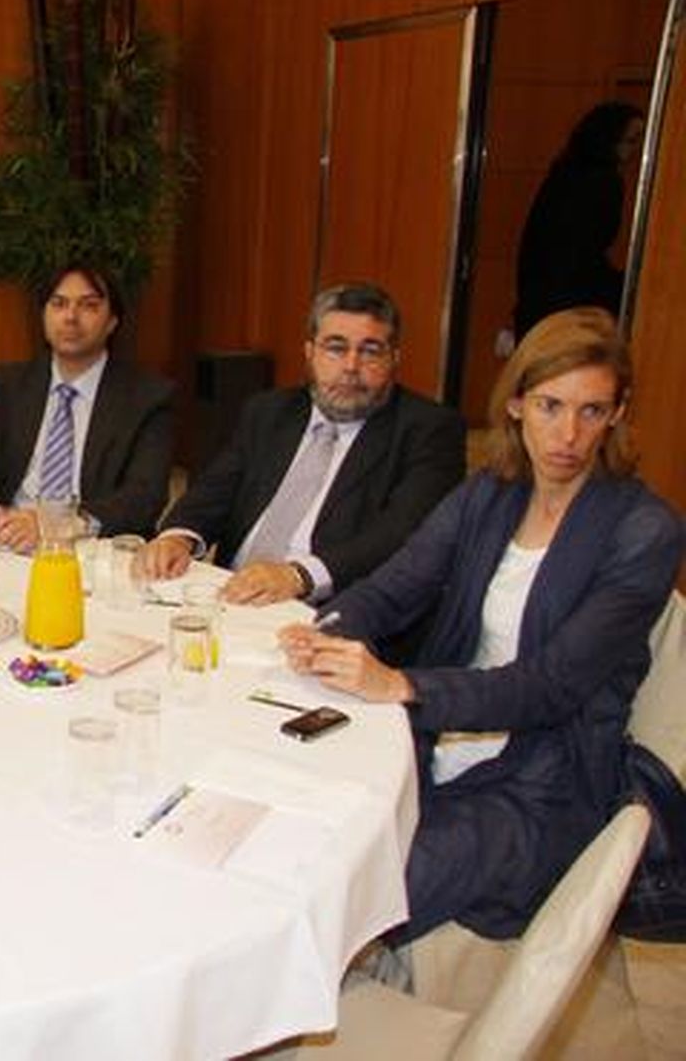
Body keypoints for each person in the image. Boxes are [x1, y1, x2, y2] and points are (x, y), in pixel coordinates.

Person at [280, 308, 683, 940]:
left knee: (358, 893)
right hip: (436, 739)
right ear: (517, 402)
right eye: (550, 405)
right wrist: (323, 627)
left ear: (618, 413)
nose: (568, 435)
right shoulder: (490, 493)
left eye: (591, 411)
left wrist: (403, 686)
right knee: (293, 831)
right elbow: (396, 586)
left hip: (542, 782)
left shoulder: (643, 531)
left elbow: (550, 686)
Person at [141, 282, 465, 605]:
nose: (351, 367)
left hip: (331, 607)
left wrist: (300, 575)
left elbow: (399, 533)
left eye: (370, 351)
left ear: (394, 359)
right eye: (336, 348)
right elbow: (214, 492)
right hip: (232, 592)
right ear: (310, 353)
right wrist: (179, 536)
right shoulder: (269, 411)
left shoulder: (429, 430)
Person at [0, 264, 175, 550]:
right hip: (7, 540)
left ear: (112, 321)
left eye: (88, 306)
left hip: (91, 546)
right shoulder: (8, 385)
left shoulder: (147, 396)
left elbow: (144, 496)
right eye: (59, 304)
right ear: (44, 315)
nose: (71, 317)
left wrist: (57, 522)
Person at [514, 101, 645, 339]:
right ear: (610, 138)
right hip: (564, 301)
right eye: (631, 140)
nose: (637, 150)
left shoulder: (566, 171)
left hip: (541, 297)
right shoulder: (602, 181)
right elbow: (581, 252)